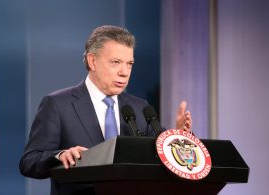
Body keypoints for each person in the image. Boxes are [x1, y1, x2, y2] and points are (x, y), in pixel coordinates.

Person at [19, 25, 192, 195]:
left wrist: (176, 138)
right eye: (116, 62)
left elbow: (157, 158)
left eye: (129, 64)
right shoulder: (57, 104)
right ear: (92, 61)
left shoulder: (140, 108)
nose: (124, 72)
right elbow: (29, 162)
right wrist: (60, 155)